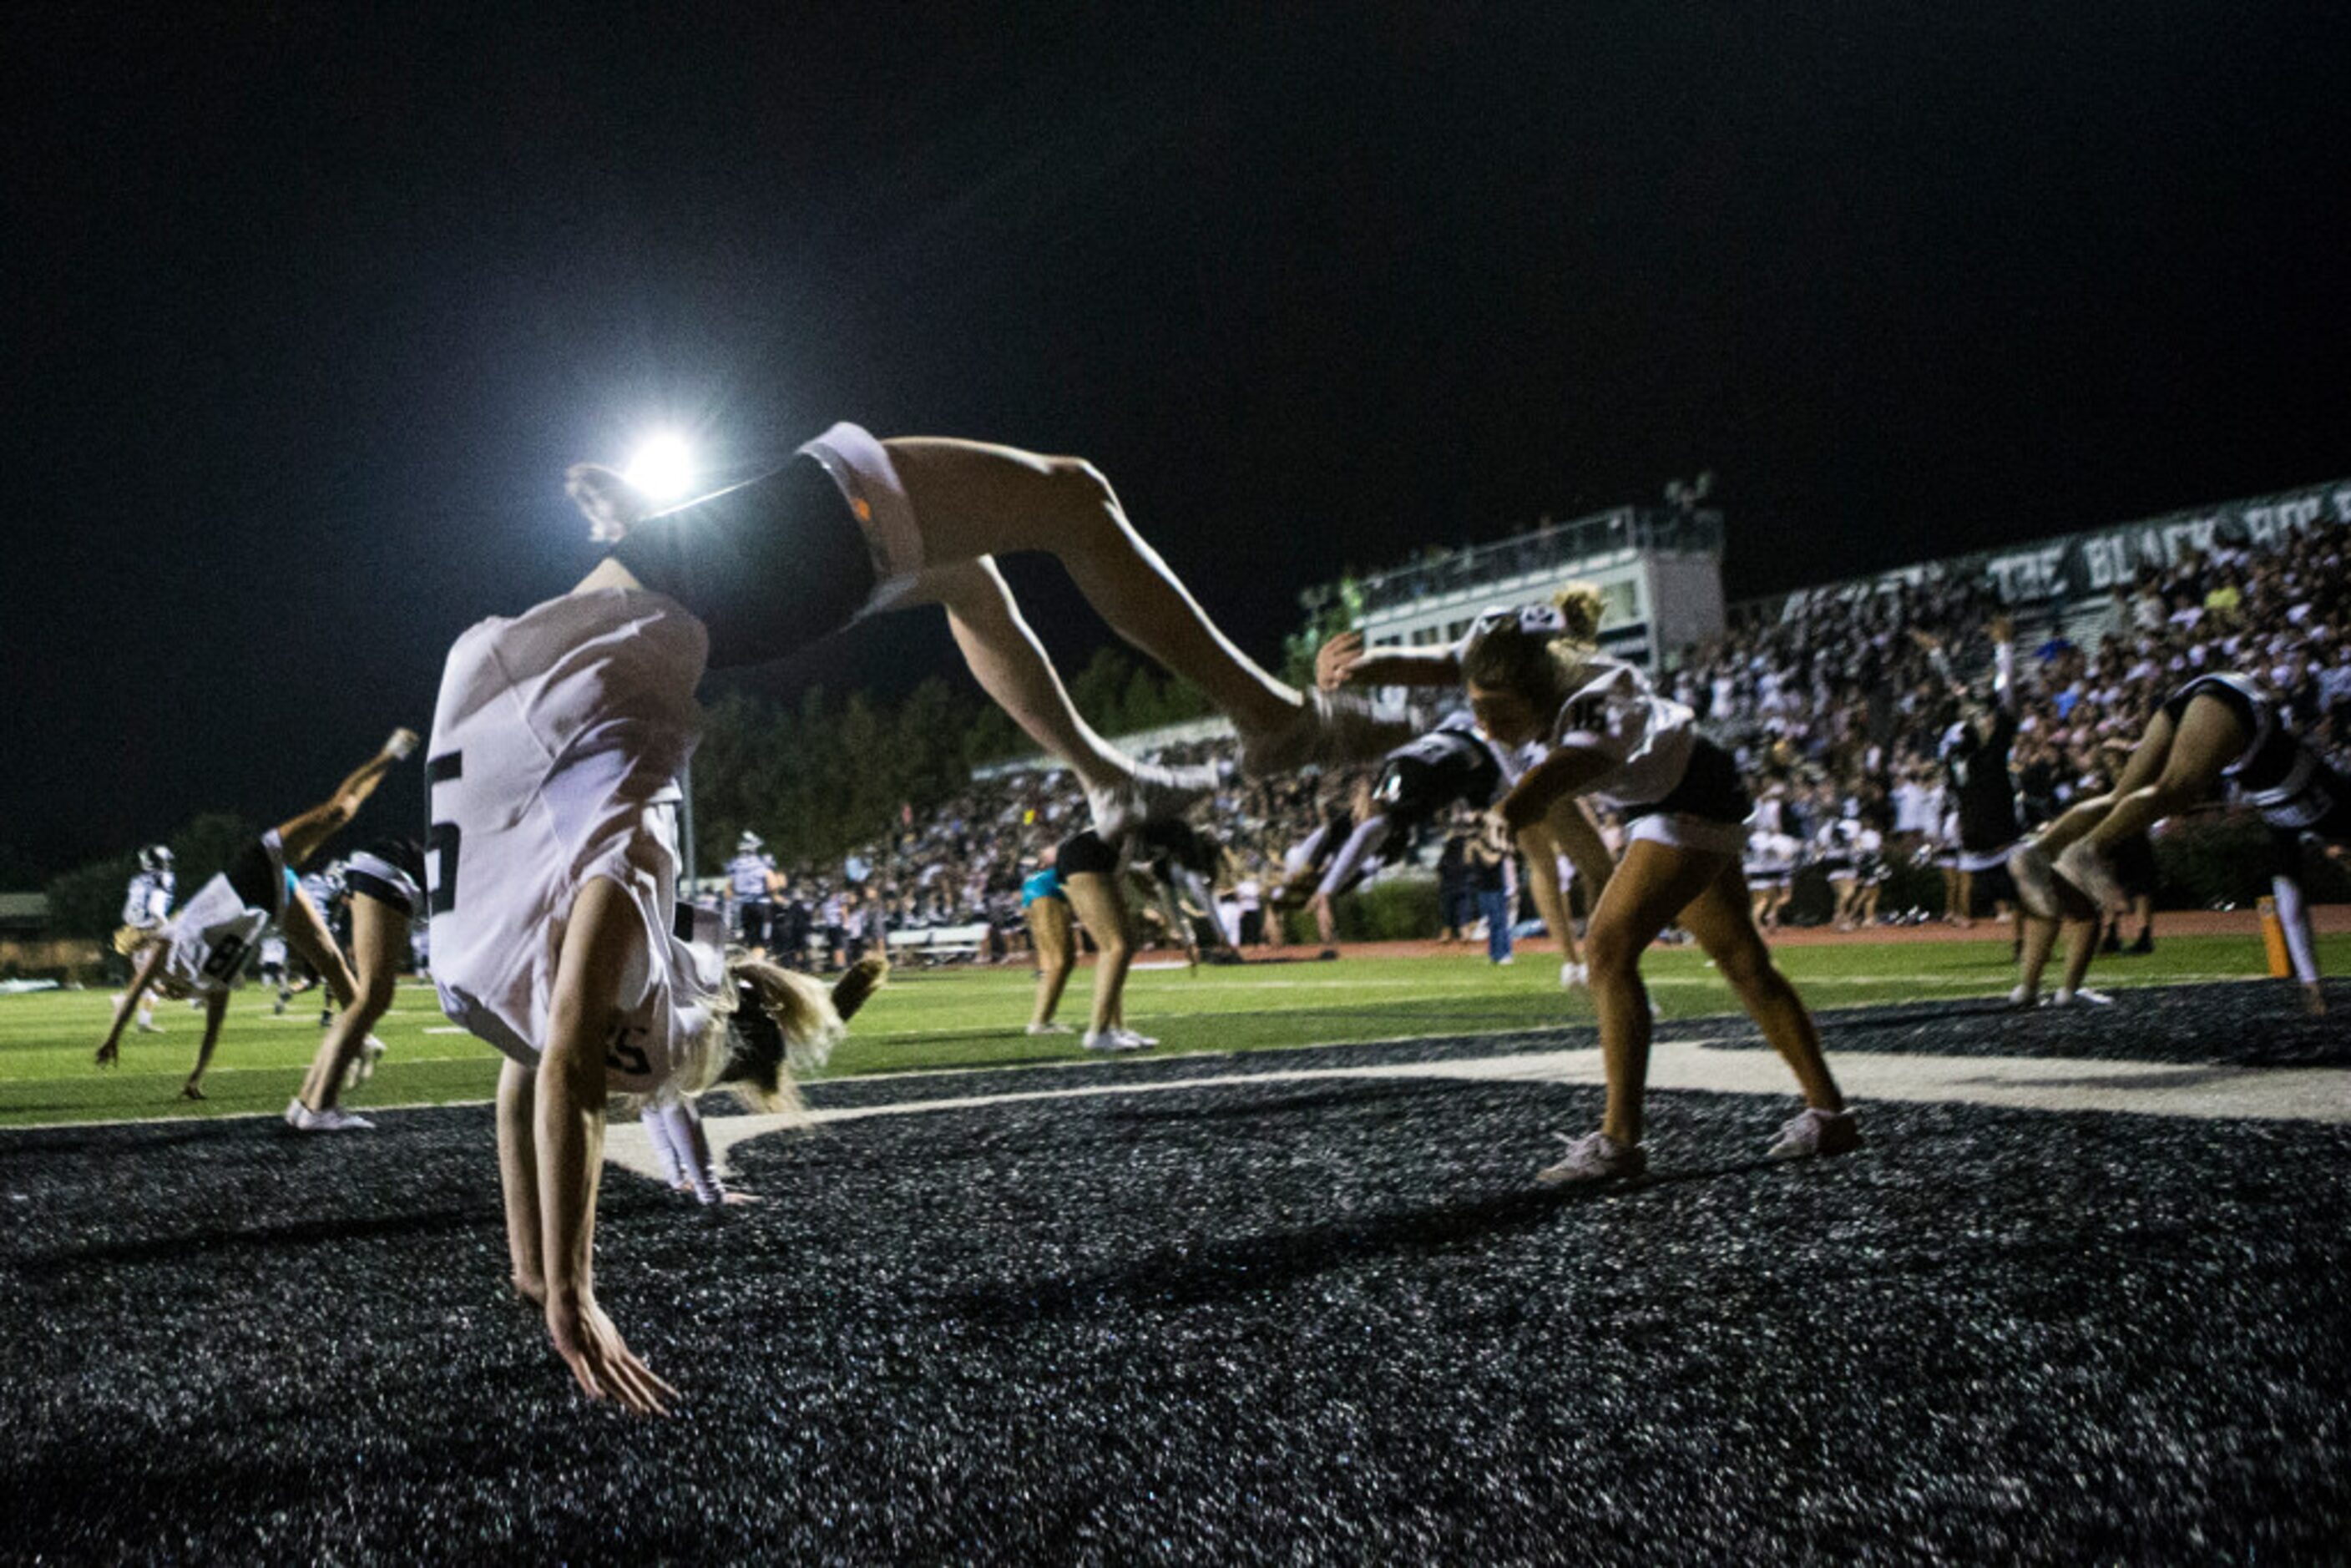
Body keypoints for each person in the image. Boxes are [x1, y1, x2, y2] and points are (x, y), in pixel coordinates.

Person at [441, 421, 1389, 1414]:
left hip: (649, 613)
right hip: (571, 649)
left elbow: (557, 1069)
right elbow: (553, 1069)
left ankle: (1111, 776)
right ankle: (1266, 720)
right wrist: (553, 1279)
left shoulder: (588, 912)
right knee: (1067, 498)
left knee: (984, 566)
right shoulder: (536, 932)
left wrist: (559, 1283)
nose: (712, 984)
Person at [1333, 593, 1857, 1182]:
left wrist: (1514, 806)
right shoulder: (1517, 665)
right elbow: (1438, 662)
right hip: (1685, 787)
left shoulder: (1598, 698)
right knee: (1743, 962)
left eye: (1500, 715)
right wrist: (1363, 667)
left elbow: (1569, 769)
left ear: (1542, 696)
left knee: (1607, 953)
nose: (1484, 725)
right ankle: (1831, 1114)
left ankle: (1620, 1144)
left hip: (1687, 798)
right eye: (1478, 708)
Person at [95, 733, 414, 1100]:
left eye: (162, 990)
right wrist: (195, 1078)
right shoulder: (208, 984)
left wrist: (112, 1039)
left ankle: (390, 754)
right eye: (168, 997)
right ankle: (365, 1038)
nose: (167, 993)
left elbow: (134, 993)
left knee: (337, 812)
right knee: (331, 962)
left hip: (252, 871)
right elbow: (213, 1029)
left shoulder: (166, 950)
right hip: (272, 904)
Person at [2010, 670, 2346, 1013]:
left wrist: (2311, 984)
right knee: (2178, 789)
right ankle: (2088, 848)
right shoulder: (2339, 808)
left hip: (2210, 701)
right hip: (2238, 707)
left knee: (2122, 795)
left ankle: (2041, 850)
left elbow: (2291, 907)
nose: (2340, 859)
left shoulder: (2285, 828)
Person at [284, 838, 427, 1130]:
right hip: (394, 868)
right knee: (374, 995)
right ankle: (320, 1105)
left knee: (369, 997)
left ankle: (307, 1100)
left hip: (377, 864)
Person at [111, 845, 176, 1034]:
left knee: (150, 978)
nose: (168, 863)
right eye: (166, 860)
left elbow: (128, 911)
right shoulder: (163, 878)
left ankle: (143, 1021)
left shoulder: (137, 880)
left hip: (133, 931)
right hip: (150, 931)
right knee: (158, 976)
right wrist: (165, 928)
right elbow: (156, 908)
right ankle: (124, 1002)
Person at [1022, 844, 1077, 1034]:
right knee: (1059, 962)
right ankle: (1039, 1022)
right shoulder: (1053, 870)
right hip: (1047, 892)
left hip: (1036, 894)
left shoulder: (1037, 873)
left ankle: (1044, 1019)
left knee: (1055, 964)